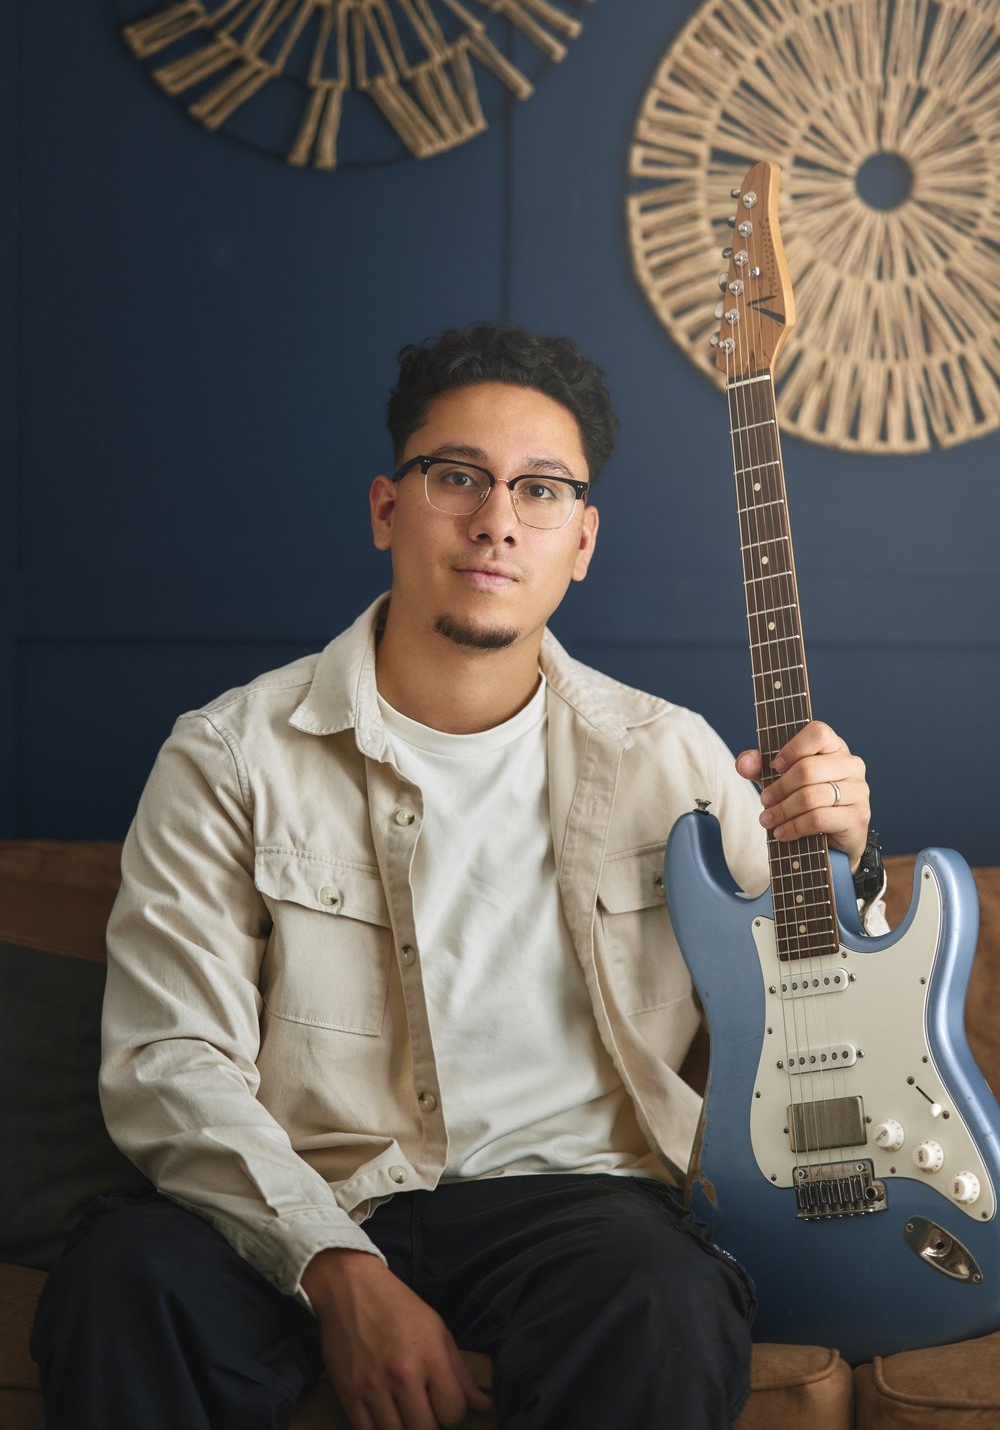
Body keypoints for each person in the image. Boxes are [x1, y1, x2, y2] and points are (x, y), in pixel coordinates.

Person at [32, 324, 878, 1430]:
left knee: (664, 1301)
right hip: (302, 1192)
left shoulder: (671, 757)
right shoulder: (230, 753)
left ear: (581, 539)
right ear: (389, 507)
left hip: (580, 1207)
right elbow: (167, 1059)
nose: (495, 521)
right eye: (458, 478)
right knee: (125, 1277)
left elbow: (818, 1022)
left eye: (538, 490)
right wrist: (337, 1267)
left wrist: (839, 852)